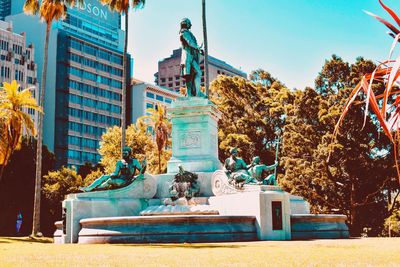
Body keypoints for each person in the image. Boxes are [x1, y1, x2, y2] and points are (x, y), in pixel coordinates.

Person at [80, 147, 146, 192]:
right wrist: (112, 174)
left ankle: (96, 189)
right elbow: (116, 173)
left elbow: (141, 172)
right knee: (104, 177)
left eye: (125, 153)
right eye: (123, 153)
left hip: (126, 181)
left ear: (129, 154)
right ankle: (89, 188)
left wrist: (144, 166)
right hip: (119, 178)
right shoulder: (119, 162)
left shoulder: (134, 161)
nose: (123, 154)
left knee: (109, 181)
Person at [180, 18, 205, 98]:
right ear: (186, 24)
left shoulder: (188, 32)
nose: (191, 25)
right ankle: (196, 93)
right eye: (189, 23)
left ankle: (192, 94)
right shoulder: (184, 32)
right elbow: (190, 42)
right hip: (188, 57)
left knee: (192, 75)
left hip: (191, 56)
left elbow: (192, 44)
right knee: (194, 74)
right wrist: (198, 47)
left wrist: (198, 50)